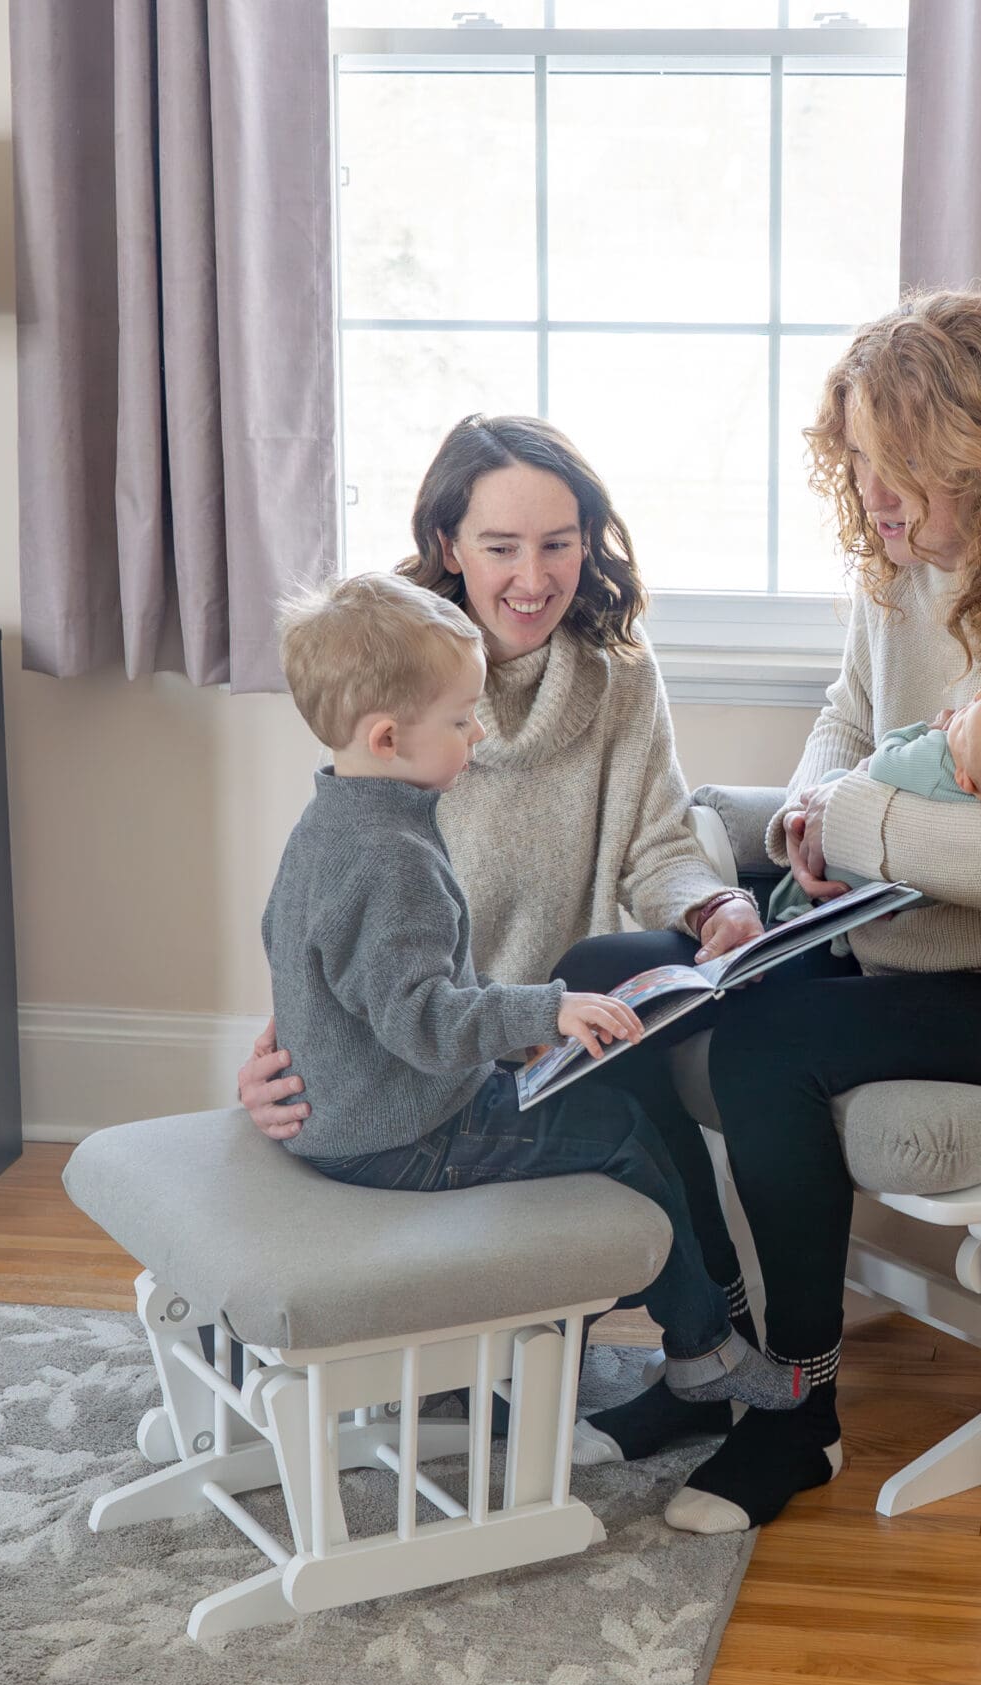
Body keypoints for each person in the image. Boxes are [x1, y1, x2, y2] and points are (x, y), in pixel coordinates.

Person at [660, 287, 981, 1535]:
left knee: (771, 1045)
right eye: (856, 466)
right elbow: (842, 723)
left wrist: (858, 824)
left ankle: (801, 1411)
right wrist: (802, 808)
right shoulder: (896, 577)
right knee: (635, 979)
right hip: (894, 954)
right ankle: (712, 1352)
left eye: (895, 469)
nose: (873, 499)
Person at [240, 416, 770, 1455]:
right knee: (467, 1412)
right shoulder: (394, 676)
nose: (535, 577)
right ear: (448, 544)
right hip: (440, 1044)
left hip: (552, 1025)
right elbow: (341, 929)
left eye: (559, 543)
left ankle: (700, 1344)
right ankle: (683, 1348)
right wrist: (281, 1049)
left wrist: (713, 904)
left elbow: (658, 840)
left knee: (623, 1076)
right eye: (501, 547)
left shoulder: (614, 674)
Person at [766, 682, 981, 922]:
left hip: (849, 873)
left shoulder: (935, 756)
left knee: (835, 776)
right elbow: (846, 720)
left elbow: (882, 762)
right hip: (890, 901)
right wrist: (797, 809)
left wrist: (924, 730)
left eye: (969, 716)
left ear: (965, 780)